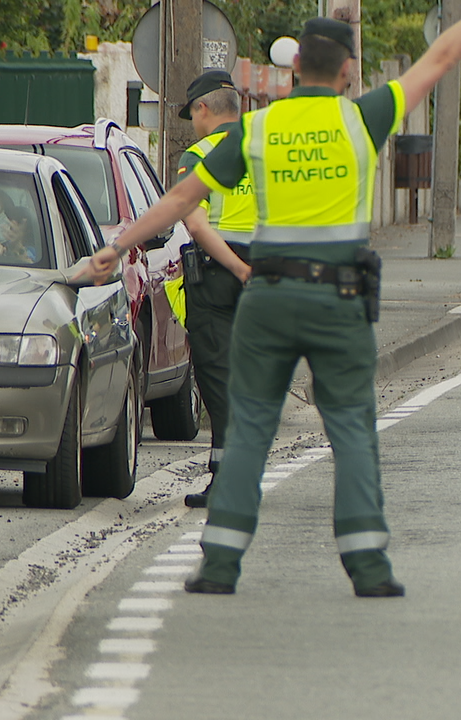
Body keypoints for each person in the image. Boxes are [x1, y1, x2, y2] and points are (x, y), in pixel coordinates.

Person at [77, 2, 461, 598]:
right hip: (338, 301)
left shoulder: (256, 130)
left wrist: (116, 245)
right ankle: (369, 568)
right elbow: (443, 53)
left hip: (268, 300)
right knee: (352, 429)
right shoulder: (363, 119)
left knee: (250, 426)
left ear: (295, 67)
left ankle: (221, 564)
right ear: (348, 73)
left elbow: (181, 199)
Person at [174, 70, 255, 508]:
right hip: (269, 274)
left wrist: (237, 267)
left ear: (203, 109)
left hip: (221, 275)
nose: (193, 123)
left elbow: (195, 221)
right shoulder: (261, 150)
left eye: (192, 115)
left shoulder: (199, 154)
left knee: (219, 380)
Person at [0, 193, 38, 262]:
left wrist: (16, 247)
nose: (1, 217)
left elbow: (32, 268)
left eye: (5, 212)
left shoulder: (32, 252)